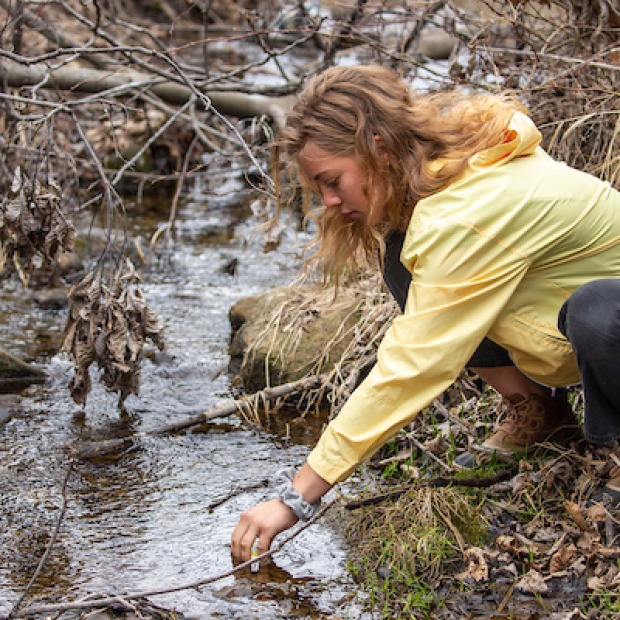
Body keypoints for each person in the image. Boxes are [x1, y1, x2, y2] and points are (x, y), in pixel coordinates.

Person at [231, 64, 620, 562]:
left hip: (607, 315)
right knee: (403, 260)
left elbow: (411, 367)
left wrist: (297, 496)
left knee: (598, 314)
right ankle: (539, 411)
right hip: (565, 315)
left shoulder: (466, 210)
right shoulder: (440, 187)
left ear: (378, 148)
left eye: (333, 181)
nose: (328, 201)